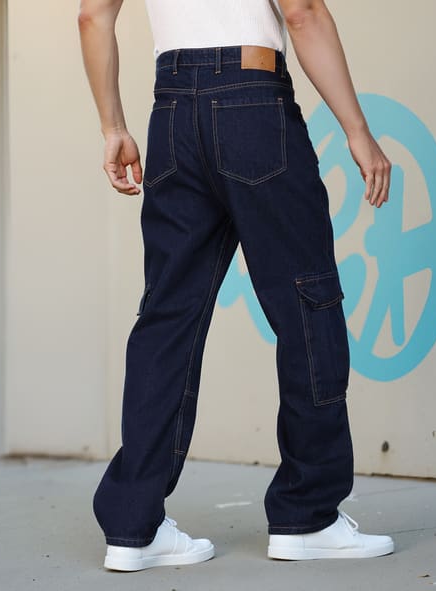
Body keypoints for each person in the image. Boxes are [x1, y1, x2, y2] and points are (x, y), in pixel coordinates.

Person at [78, 0, 394, 572]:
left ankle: (133, 526)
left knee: (166, 318)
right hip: (254, 105)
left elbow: (92, 17)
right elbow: (302, 12)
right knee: (307, 304)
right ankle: (308, 515)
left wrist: (113, 127)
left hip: (171, 109)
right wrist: (358, 130)